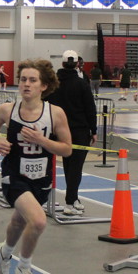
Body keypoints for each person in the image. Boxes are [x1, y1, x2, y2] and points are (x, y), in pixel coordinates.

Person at [0, 59, 73, 274]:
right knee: (38, 221)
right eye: (23, 79)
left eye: (32, 80)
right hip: (14, 174)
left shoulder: (55, 113)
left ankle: (5, 252)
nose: (26, 84)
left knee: (18, 222)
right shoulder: (8, 110)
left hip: (41, 177)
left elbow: (67, 149)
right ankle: (24, 268)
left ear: (43, 85)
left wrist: (42, 140)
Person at [46, 50, 98, 216]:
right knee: (75, 167)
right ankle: (70, 202)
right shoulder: (82, 84)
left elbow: (45, 104)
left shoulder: (53, 85)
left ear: (62, 64)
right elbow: (90, 108)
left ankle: (73, 198)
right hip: (78, 131)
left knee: (69, 165)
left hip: (57, 131)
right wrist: (94, 130)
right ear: (77, 64)